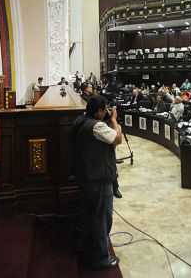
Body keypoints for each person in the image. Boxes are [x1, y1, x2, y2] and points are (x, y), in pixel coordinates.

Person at [73, 95, 122, 270]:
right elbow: (117, 139)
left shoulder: (80, 120)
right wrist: (114, 120)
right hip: (98, 179)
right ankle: (100, 257)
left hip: (86, 175)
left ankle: (89, 250)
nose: (107, 112)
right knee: (102, 218)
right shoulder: (98, 126)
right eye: (105, 109)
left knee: (90, 216)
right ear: (99, 111)